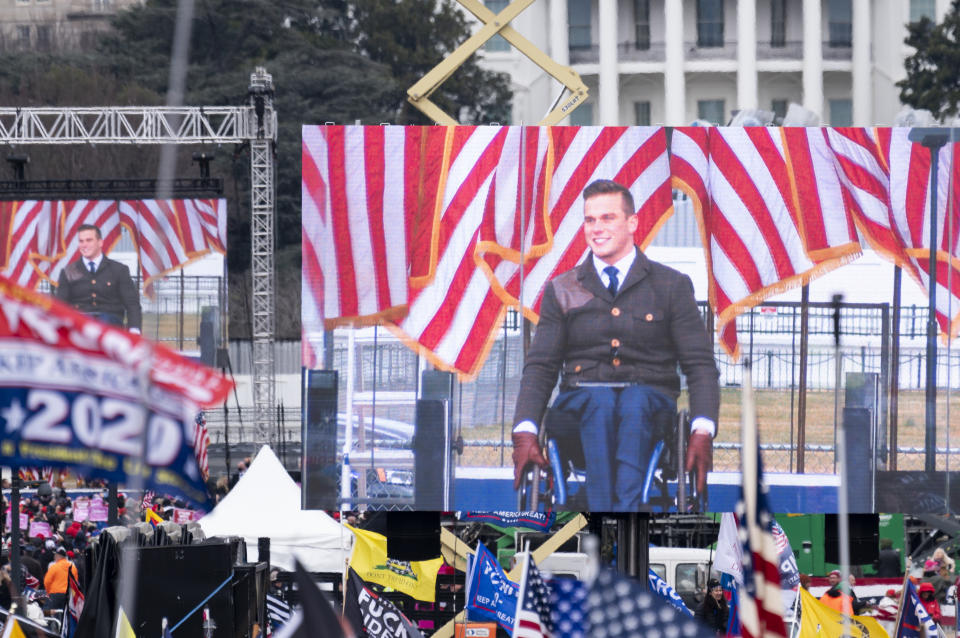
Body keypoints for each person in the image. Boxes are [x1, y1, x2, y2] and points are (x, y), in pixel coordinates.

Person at [511, 179, 720, 511]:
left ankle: (610, 516)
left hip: (649, 406)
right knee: (600, 401)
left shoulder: (670, 286)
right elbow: (541, 367)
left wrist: (702, 430)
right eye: (590, 220)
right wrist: (524, 430)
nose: (597, 228)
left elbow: (700, 365)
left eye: (607, 218)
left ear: (632, 223)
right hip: (578, 409)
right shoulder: (562, 289)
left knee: (634, 402)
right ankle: (620, 515)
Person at [55, 223, 141, 333]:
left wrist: (134, 330)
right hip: (80, 328)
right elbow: (60, 306)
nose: (84, 245)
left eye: (89, 240)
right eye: (81, 241)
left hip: (111, 328)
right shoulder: (68, 272)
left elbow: (132, 304)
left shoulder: (119, 270)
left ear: (100, 242)